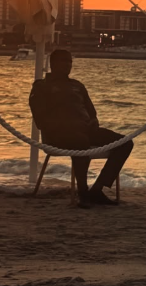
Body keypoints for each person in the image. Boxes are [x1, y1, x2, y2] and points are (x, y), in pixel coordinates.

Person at [29, 49, 133, 208]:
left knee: (125, 142)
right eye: (64, 61)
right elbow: (40, 120)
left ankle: (97, 189)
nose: (68, 65)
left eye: (70, 61)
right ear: (53, 64)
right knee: (80, 141)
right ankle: (82, 192)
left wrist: (92, 121)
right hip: (58, 135)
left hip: (85, 131)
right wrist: (64, 126)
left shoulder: (77, 85)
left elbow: (92, 112)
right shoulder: (42, 86)